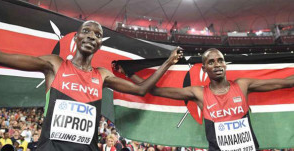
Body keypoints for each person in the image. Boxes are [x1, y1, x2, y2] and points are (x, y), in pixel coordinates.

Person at [0, 20, 183, 151]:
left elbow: (141, 90)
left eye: (97, 34)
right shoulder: (55, 65)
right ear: (75, 38)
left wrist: (168, 62)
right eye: (86, 31)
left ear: (100, 44)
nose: (92, 36)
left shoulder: (101, 75)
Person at [118, 48, 294, 151]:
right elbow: (154, 90)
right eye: (211, 62)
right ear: (204, 68)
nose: (217, 64)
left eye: (220, 60)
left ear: (225, 64)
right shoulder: (199, 93)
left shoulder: (242, 85)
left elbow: (285, 82)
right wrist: (132, 72)